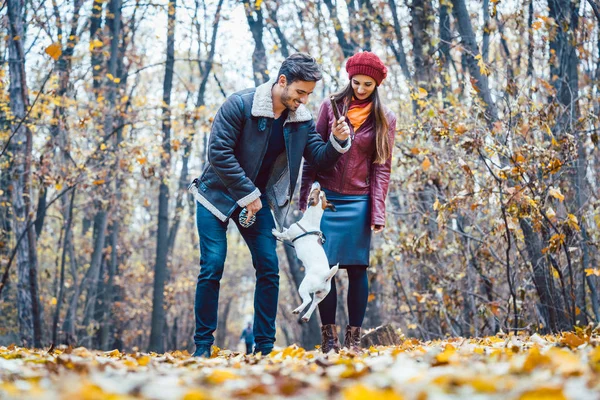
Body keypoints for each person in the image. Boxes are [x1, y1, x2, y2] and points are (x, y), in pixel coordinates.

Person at [189, 53, 351, 357]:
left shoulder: (300, 121)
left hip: (255, 203)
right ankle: (202, 348)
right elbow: (218, 152)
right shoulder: (240, 104)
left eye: (309, 94)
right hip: (215, 196)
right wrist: (248, 192)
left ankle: (263, 348)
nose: (303, 100)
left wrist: (338, 142)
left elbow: (317, 156)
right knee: (212, 266)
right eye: (300, 92)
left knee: (268, 267)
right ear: (282, 81)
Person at [299, 51, 396, 353]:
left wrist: (377, 211)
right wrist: (305, 197)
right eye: (357, 82)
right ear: (349, 79)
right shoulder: (330, 107)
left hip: (359, 201)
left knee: (357, 269)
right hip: (326, 199)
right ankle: (329, 339)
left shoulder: (385, 118)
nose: (361, 89)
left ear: (377, 84)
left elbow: (382, 167)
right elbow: (312, 151)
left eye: (368, 84)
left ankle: (354, 339)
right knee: (324, 268)